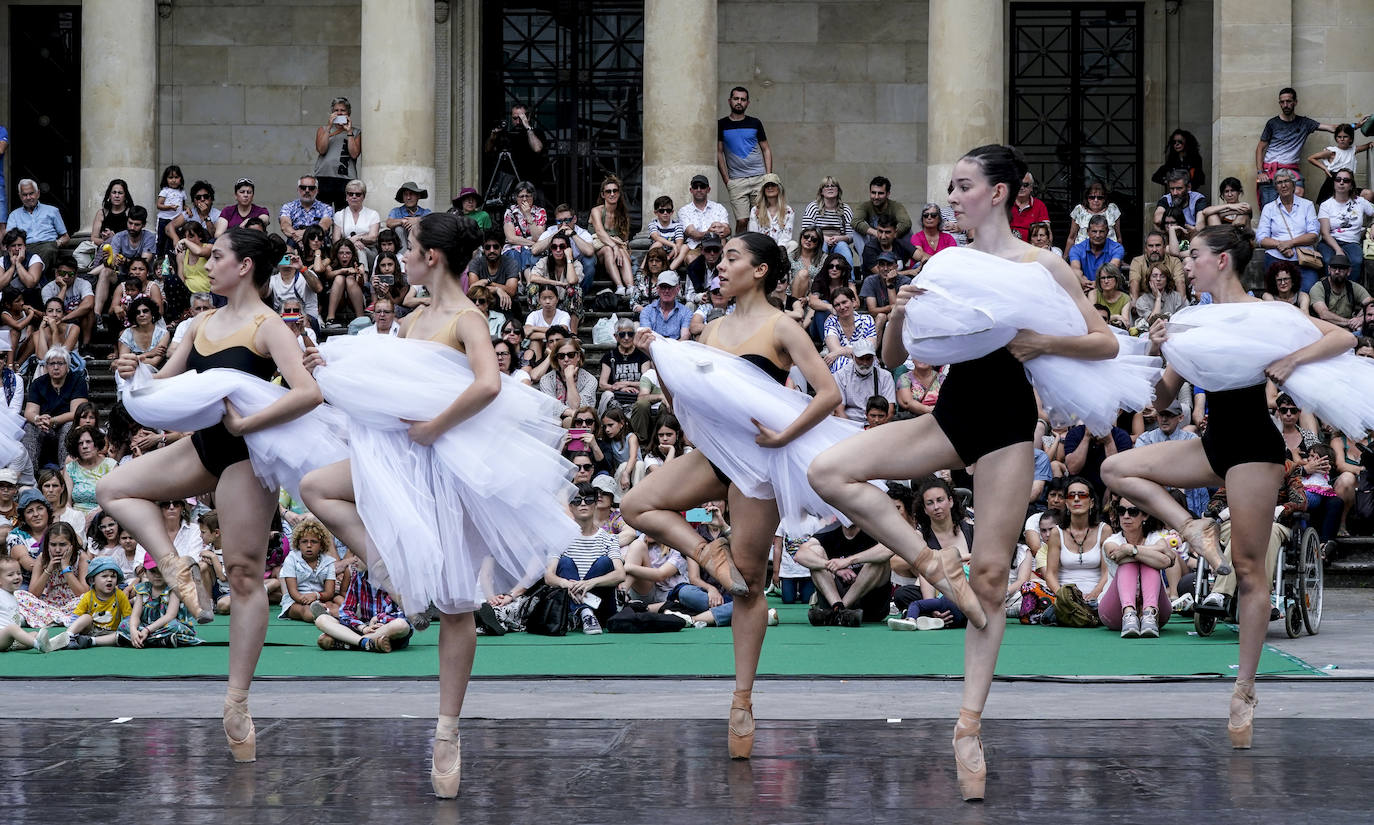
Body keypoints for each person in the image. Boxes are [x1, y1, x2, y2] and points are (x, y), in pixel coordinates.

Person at [809, 145, 1120, 802]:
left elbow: (1105, 342)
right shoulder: (944, 260)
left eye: (963, 185)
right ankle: (928, 560)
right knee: (827, 469)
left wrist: (1043, 343)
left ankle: (968, 725)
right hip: (946, 415)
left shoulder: (1043, 264)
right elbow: (896, 356)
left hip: (1007, 425)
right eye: (952, 187)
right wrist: (897, 309)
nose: (952, 196)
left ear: (1000, 192)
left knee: (989, 575)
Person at [301, 212, 578, 798]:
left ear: (433, 258)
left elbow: (488, 384)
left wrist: (432, 428)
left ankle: (447, 729)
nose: (401, 256)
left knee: (456, 606)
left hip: (445, 459)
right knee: (316, 488)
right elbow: (390, 386)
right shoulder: (411, 319)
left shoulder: (466, 317)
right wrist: (331, 372)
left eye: (409, 248)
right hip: (401, 456)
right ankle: (402, 573)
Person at [1101, 223, 1355, 751]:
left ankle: (1244, 688)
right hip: (1212, 440)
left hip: (1253, 449)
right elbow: (1164, 401)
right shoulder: (1189, 321)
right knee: (1115, 470)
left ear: (1222, 261)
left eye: (1192, 255)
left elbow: (1345, 336)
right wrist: (1157, 351)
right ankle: (1191, 525)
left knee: (1247, 567)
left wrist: (1291, 361)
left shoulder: (1269, 313)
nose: (1184, 264)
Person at [98, 228, 323, 762]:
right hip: (203, 447)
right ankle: (175, 564)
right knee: (113, 487)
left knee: (244, 574)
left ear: (244, 266)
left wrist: (249, 425)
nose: (207, 263)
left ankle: (237, 700)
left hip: (248, 455)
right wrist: (135, 373)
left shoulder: (271, 326)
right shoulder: (197, 324)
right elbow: (161, 388)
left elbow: (308, 393)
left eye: (216, 256)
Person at [620, 231, 844, 761]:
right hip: (716, 453)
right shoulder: (710, 329)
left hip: (761, 463)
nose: (719, 267)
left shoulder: (782, 325)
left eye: (731, 259)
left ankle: (741, 699)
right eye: (720, 260)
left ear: (761, 270)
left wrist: (784, 438)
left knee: (746, 587)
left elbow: (828, 394)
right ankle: (706, 552)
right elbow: (686, 409)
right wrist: (664, 363)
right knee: (635, 505)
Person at [1097, 498, 1177, 637]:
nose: (1126, 516)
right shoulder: (1111, 541)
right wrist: (1157, 550)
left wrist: (1130, 549)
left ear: (1145, 515)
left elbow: (1165, 562)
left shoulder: (1154, 537)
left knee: (1146, 562)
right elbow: (1164, 558)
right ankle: (1129, 613)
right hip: (1115, 611)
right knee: (1131, 563)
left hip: (1158, 611)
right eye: (1121, 511)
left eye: (1133, 512)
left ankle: (1149, 613)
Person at [1255, 87, 1335, 209]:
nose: (1285, 105)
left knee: (1298, 193)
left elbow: (1333, 128)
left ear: (1295, 102)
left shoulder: (1304, 123)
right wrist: (1260, 172)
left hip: (1291, 169)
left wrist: (1355, 125)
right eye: (1282, 102)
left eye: (1288, 101)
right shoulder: (1272, 123)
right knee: (1269, 208)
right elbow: (1260, 148)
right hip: (1270, 170)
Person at [1041, 477, 1110, 607]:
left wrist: (1094, 594)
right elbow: (1050, 574)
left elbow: (1107, 573)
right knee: (1030, 587)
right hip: (1064, 596)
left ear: (1091, 502)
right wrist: (1063, 596)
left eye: (1082, 495)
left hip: (1098, 595)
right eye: (1071, 496)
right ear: (1066, 503)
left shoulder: (1104, 530)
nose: (1077, 499)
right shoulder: (1057, 532)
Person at [22, 345, 88, 468]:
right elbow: (29, 412)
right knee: (30, 428)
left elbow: (78, 412)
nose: (56, 367)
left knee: (69, 427)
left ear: (67, 366)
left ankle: (66, 472)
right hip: (45, 427)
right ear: (46, 366)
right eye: (52, 364)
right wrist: (38, 419)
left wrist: (53, 421)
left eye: (60, 363)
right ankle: (30, 475)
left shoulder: (77, 381)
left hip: (66, 425)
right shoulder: (38, 383)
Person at [717, 87, 773, 234]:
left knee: (761, 219)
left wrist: (768, 177)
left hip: (758, 177)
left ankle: (758, 253)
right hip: (736, 180)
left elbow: (766, 149)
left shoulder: (755, 123)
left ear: (747, 103)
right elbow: (718, 152)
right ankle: (738, 251)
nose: (739, 102)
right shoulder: (721, 124)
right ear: (730, 101)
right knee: (742, 220)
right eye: (736, 99)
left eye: (742, 99)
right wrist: (727, 180)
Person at [117, 554, 201, 648]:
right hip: (146, 625)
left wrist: (147, 630)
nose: (157, 575)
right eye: (153, 571)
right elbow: (135, 615)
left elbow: (170, 615)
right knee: (125, 624)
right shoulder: (142, 589)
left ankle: (145, 639)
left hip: (165, 625)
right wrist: (133, 630)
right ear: (145, 572)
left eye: (161, 571)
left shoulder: (173, 589)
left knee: (174, 626)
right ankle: (154, 639)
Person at [1317, 169, 1374, 272]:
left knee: (1356, 261)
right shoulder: (1326, 205)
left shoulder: (1360, 202)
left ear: (1351, 185)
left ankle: (1351, 287)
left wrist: (1373, 224)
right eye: (1338, 179)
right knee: (1328, 261)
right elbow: (1325, 233)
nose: (1341, 182)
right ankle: (1329, 287)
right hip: (1329, 242)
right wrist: (1338, 250)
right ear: (1334, 183)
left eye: (1346, 180)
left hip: (1351, 242)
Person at [589, 175, 635, 295]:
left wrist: (619, 248)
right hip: (597, 250)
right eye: (608, 191)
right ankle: (619, 286)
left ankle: (630, 287)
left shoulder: (623, 215)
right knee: (609, 249)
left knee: (621, 252)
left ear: (619, 194)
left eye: (615, 191)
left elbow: (624, 240)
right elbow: (599, 232)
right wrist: (615, 245)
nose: (612, 194)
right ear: (603, 194)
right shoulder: (597, 211)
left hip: (617, 251)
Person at [313, 96, 362, 210]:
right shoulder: (323, 129)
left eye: (343, 110)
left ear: (348, 113)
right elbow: (321, 149)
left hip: (346, 179)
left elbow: (354, 154)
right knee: (323, 215)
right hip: (324, 177)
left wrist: (349, 131)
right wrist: (329, 127)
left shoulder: (356, 132)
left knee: (343, 216)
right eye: (336, 110)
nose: (339, 113)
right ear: (332, 113)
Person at [1308, 123, 1374, 207]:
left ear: (1350, 139)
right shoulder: (1332, 152)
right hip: (1332, 187)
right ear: (1336, 138)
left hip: (1348, 185)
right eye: (1339, 137)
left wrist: (1370, 144)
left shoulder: (1353, 150)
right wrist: (1325, 168)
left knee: (1369, 194)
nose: (1342, 139)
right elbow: (1311, 158)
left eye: (1345, 137)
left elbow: (1367, 145)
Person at [7, 180, 68, 268]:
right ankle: (34, 279)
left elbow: (66, 237)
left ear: (38, 193)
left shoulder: (52, 211)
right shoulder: (14, 215)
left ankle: (30, 278)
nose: (28, 197)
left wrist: (56, 243)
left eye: (31, 193)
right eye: (24, 195)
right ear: (20, 196)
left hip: (47, 245)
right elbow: (10, 238)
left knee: (48, 250)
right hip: (25, 247)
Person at [833, 339, 894, 423]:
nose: (865, 363)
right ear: (852, 356)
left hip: (876, 424)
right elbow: (839, 412)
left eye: (868, 359)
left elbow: (889, 412)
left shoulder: (885, 377)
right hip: (850, 423)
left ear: (874, 358)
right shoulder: (841, 376)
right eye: (861, 359)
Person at [801, 177, 855, 265]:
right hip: (818, 242)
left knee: (843, 247)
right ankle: (816, 277)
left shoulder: (845, 209)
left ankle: (849, 278)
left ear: (838, 190)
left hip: (839, 243)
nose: (830, 188)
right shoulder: (813, 207)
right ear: (821, 191)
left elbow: (852, 235)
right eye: (826, 186)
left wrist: (839, 238)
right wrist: (824, 238)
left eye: (833, 186)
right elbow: (806, 232)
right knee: (823, 246)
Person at [1309, 254, 1371, 331]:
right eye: (1334, 268)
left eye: (1341, 269)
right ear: (1329, 269)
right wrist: (1350, 322)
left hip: (1347, 328)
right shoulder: (1318, 287)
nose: (1337, 272)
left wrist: (1361, 318)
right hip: (1324, 328)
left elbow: (1371, 303)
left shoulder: (1353, 287)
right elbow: (1323, 314)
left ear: (1349, 271)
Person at [679, 174, 732, 262]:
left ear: (708, 189)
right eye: (695, 187)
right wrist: (710, 232)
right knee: (691, 258)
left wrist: (723, 229)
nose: (699, 190)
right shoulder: (684, 211)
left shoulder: (719, 208)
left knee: (718, 225)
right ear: (691, 190)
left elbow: (726, 230)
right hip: (697, 247)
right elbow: (693, 233)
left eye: (702, 186)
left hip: (718, 246)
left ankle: (723, 261)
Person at [333, 180, 381, 270]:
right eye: (350, 194)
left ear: (363, 196)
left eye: (358, 194)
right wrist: (351, 242)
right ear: (346, 196)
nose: (354, 197)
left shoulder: (373, 214)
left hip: (368, 251)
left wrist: (358, 238)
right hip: (345, 251)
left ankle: (364, 278)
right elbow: (336, 241)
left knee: (360, 250)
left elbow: (373, 237)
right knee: (356, 249)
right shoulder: (339, 215)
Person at [278, 175, 335, 249]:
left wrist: (304, 235)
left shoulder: (326, 208)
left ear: (317, 190)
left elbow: (323, 227)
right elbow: (285, 226)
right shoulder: (288, 207)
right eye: (303, 187)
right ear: (298, 189)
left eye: (311, 188)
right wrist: (297, 238)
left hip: (318, 244)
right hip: (295, 243)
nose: (307, 190)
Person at [501, 182, 546, 272]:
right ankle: (517, 282)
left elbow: (538, 237)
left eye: (528, 196)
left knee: (529, 254)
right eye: (521, 196)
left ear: (533, 196)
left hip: (533, 249)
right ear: (516, 198)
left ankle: (530, 283)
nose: (524, 199)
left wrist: (528, 215)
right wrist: (532, 243)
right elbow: (511, 238)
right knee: (513, 254)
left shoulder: (540, 212)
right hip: (513, 248)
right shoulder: (510, 212)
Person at [1068, 215, 1125, 286]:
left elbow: (1112, 269)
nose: (1098, 235)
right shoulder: (1076, 249)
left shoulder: (1117, 248)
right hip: (1085, 288)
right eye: (1094, 231)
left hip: (1109, 291)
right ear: (1088, 232)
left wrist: (1096, 284)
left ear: (1107, 232)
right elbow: (1075, 269)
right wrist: (1084, 281)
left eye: (1101, 231)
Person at [853, 176, 912, 244]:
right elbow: (855, 221)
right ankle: (865, 255)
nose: (876, 197)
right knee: (856, 232)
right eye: (873, 193)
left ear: (888, 194)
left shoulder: (896, 206)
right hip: (872, 242)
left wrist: (889, 234)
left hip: (892, 241)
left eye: (880, 193)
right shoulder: (864, 206)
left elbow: (906, 222)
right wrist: (877, 233)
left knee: (908, 231)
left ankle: (906, 254)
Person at [1065, 180, 1122, 249]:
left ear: (1104, 199)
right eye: (1091, 197)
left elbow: (1118, 237)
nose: (1096, 200)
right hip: (1083, 253)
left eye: (1100, 197)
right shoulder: (1079, 210)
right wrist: (1065, 258)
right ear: (1087, 198)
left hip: (1109, 252)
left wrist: (1119, 256)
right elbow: (1071, 238)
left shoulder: (1112, 209)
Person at [638, 271, 691, 341]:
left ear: (677, 289)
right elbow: (647, 337)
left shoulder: (686, 312)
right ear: (657, 289)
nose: (666, 291)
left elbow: (685, 336)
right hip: (652, 348)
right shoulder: (647, 311)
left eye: (670, 287)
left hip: (677, 348)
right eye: (663, 287)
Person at [747, 174, 794, 251]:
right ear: (763, 190)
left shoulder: (789, 211)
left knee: (793, 244)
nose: (770, 187)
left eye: (773, 185)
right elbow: (753, 235)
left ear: (778, 188)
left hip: (780, 251)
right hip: (761, 250)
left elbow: (786, 237)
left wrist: (776, 251)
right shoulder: (755, 210)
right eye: (766, 185)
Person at [1152, 129, 1207, 194]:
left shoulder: (1195, 159)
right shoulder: (1172, 160)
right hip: (1174, 195)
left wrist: (1189, 185)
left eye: (1180, 141)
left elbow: (1200, 179)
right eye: (1174, 142)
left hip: (1189, 194)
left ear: (1186, 142)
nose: (1176, 144)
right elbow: (1155, 177)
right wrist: (1169, 182)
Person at [385, 182, 431, 254]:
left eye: (411, 194)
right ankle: (403, 257)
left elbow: (433, 222)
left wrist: (418, 220)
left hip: (421, 249)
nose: (408, 197)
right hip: (401, 250)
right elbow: (388, 223)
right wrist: (403, 221)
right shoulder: (396, 211)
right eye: (406, 195)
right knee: (399, 229)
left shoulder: (425, 212)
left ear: (418, 196)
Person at [1008, 171, 1049, 242]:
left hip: (1031, 247)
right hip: (1007, 246)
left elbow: (1046, 231)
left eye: (1025, 184)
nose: (1021, 187)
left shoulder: (1040, 205)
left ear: (1031, 187)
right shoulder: (1006, 204)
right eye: (1018, 184)